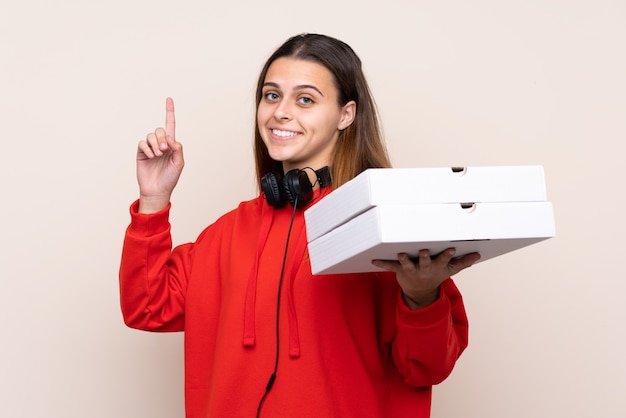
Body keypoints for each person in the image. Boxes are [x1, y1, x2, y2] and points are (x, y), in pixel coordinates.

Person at [119, 33, 480, 418]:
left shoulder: (383, 225)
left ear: (346, 114)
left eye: (305, 99)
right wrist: (154, 200)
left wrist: (421, 298)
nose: (280, 112)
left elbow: (429, 367)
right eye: (272, 95)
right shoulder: (225, 235)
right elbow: (147, 306)